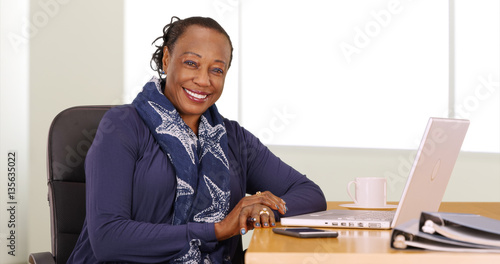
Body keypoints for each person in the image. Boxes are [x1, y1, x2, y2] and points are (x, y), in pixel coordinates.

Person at [67, 16, 326, 264]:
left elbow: (311, 194)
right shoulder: (123, 126)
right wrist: (217, 230)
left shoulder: (233, 138)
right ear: (167, 60)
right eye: (191, 63)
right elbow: (107, 238)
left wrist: (262, 210)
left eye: (216, 69)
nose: (203, 80)